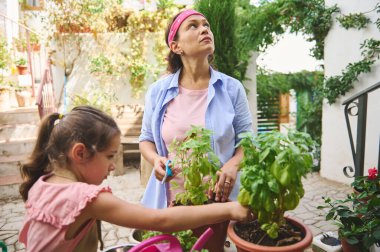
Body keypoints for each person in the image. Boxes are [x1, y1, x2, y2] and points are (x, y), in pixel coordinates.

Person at [18, 106, 251, 252]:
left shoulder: (44, 182)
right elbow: (160, 220)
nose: (112, 166)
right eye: (109, 156)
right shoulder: (85, 198)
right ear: (80, 153)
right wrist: (229, 209)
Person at [139, 9, 253, 209]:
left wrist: (233, 164)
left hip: (220, 200)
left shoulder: (232, 89)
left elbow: (248, 140)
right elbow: (146, 139)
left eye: (206, 25)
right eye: (193, 25)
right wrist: (156, 159)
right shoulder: (158, 92)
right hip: (173, 201)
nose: (204, 29)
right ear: (176, 46)